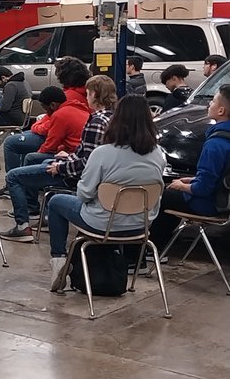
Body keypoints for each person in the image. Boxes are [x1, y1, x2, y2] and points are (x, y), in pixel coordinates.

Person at [47, 95, 165, 284]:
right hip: (140, 224)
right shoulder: (158, 154)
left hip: (103, 223)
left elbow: (84, 194)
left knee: (55, 201)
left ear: (116, 119)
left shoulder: (103, 153)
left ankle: (59, 260)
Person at [2, 74, 118, 243]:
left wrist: (61, 167)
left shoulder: (96, 121)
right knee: (43, 161)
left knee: (13, 176)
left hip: (78, 176)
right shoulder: (111, 118)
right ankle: (43, 215)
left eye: (87, 93)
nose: (86, 96)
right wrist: (69, 157)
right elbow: (91, 154)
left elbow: (88, 162)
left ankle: (23, 226)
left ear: (94, 94)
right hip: (88, 171)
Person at [150, 84, 230, 247]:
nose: (209, 104)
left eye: (213, 101)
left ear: (221, 111)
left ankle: (153, 247)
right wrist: (192, 180)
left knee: (166, 194)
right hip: (224, 199)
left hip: (212, 204)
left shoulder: (215, 144)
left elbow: (203, 189)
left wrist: (181, 185)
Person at [0, 85, 66, 176]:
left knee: (11, 143)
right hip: (46, 136)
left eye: (45, 109)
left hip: (61, 149)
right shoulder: (66, 103)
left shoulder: (60, 115)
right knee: (23, 138)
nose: (46, 112)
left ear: (53, 105)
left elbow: (50, 142)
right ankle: (17, 176)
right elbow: (44, 123)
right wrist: (36, 127)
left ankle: (14, 178)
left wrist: (39, 152)